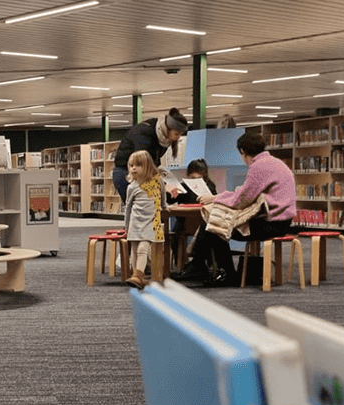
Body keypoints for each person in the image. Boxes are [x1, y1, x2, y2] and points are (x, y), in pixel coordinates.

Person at [172, 132, 297, 287]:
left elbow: (241, 200)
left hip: (271, 223)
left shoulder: (259, 166)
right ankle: (201, 266)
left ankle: (223, 272)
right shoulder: (274, 162)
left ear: (243, 152)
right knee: (214, 223)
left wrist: (215, 199)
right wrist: (220, 197)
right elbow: (245, 194)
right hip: (281, 220)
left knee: (216, 226)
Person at [112, 108, 188, 202]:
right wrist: (163, 186)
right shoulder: (145, 134)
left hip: (142, 173)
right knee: (139, 208)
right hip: (126, 173)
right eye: (176, 134)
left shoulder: (163, 138)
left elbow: (154, 162)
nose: (178, 137)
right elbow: (144, 165)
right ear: (167, 128)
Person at [123, 150, 165, 289]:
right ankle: (137, 276)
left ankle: (138, 275)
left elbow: (163, 196)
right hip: (135, 221)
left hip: (150, 222)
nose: (133, 168)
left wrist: (165, 206)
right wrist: (127, 225)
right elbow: (128, 207)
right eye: (131, 165)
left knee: (143, 248)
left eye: (138, 165)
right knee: (134, 250)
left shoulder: (157, 181)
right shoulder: (132, 187)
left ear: (147, 166)